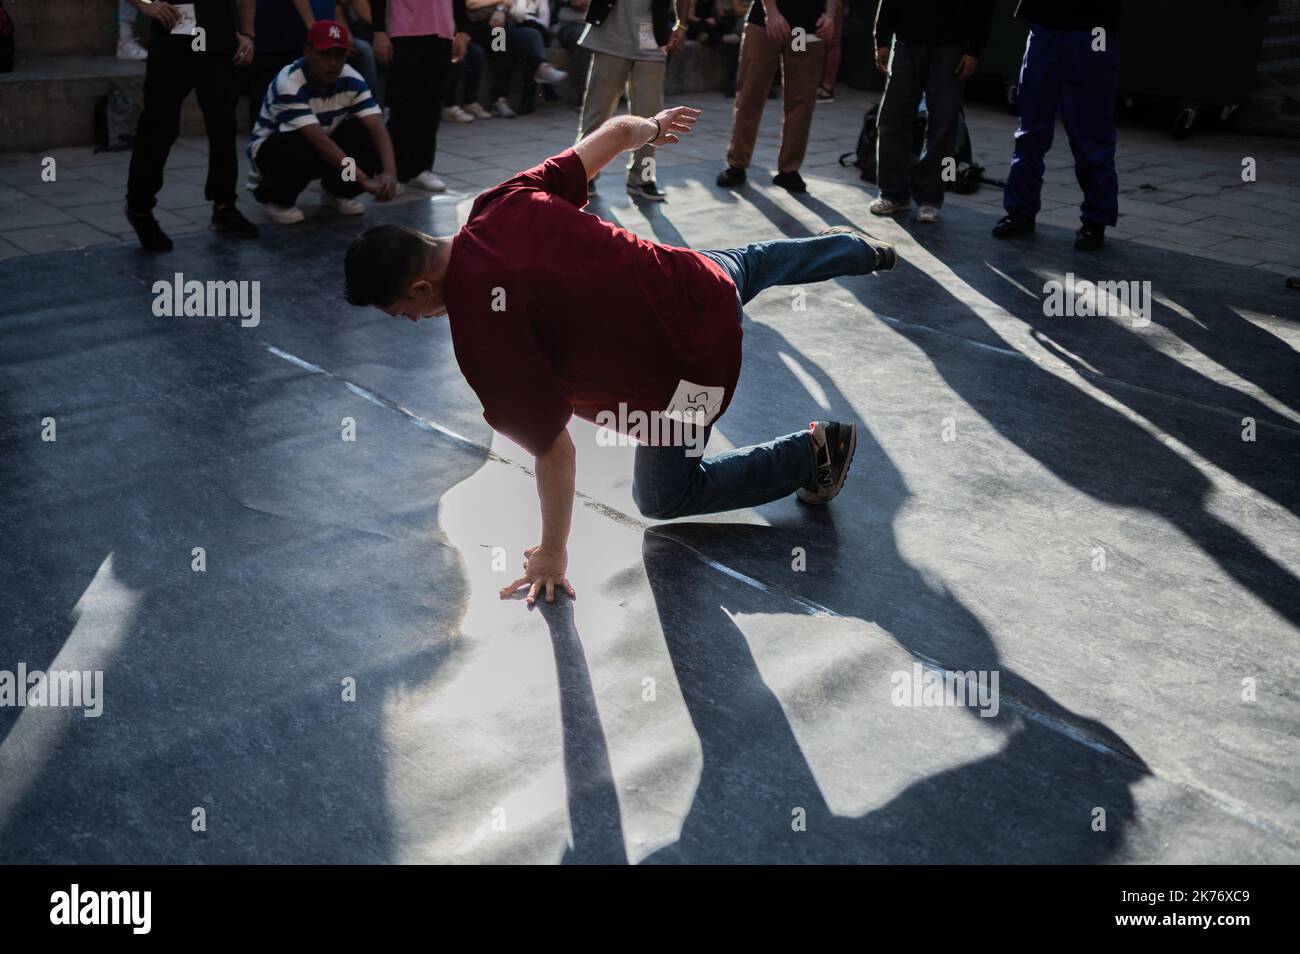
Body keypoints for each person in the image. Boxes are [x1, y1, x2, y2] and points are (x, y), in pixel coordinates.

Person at [343, 106, 898, 604]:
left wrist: (553, 555)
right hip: (696, 281)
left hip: (692, 378)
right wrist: (655, 129)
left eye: (403, 312)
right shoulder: (499, 201)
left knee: (663, 496)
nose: (414, 321)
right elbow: (617, 133)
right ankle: (856, 249)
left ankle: (814, 453)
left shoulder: (481, 338)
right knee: (744, 264)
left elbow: (555, 452)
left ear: (418, 288)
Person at [124, 0, 260, 251]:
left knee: (223, 123)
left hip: (218, 36)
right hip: (174, 34)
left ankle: (224, 205)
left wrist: (248, 33)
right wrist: (145, 5)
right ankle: (139, 207)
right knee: (159, 127)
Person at [993, 0, 1122, 252]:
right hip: (1048, 25)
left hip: (1093, 29)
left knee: (1091, 131)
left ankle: (1096, 220)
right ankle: (1021, 211)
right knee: (1031, 127)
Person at [249, 19, 398, 221]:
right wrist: (364, 180)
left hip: (323, 148)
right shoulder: (289, 83)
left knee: (362, 132)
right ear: (307, 51)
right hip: (277, 153)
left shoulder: (352, 79)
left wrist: (390, 173)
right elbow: (317, 140)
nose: (333, 63)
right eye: (325, 55)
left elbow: (377, 126)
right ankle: (278, 198)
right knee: (296, 144)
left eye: (339, 56)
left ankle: (338, 192)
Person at [869, 0, 992, 224]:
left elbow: (984, 6)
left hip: (952, 45)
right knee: (891, 119)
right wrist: (882, 40)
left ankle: (931, 199)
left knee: (944, 125)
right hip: (907, 42)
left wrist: (975, 50)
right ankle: (892, 193)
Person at [715, 0, 838, 194]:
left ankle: (789, 170)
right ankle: (737, 164)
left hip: (807, 26)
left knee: (802, 99)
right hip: (764, 21)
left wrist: (830, 16)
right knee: (750, 93)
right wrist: (771, 12)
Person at [576, 0, 687, 201]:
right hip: (611, 35)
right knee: (597, 112)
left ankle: (643, 179)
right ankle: (584, 175)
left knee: (652, 117)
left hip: (653, 36)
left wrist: (682, 24)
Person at [371, 0, 471, 193]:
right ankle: (395, 170)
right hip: (403, 29)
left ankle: (422, 168)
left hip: (441, 29)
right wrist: (379, 31)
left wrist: (462, 31)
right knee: (401, 103)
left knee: (432, 102)